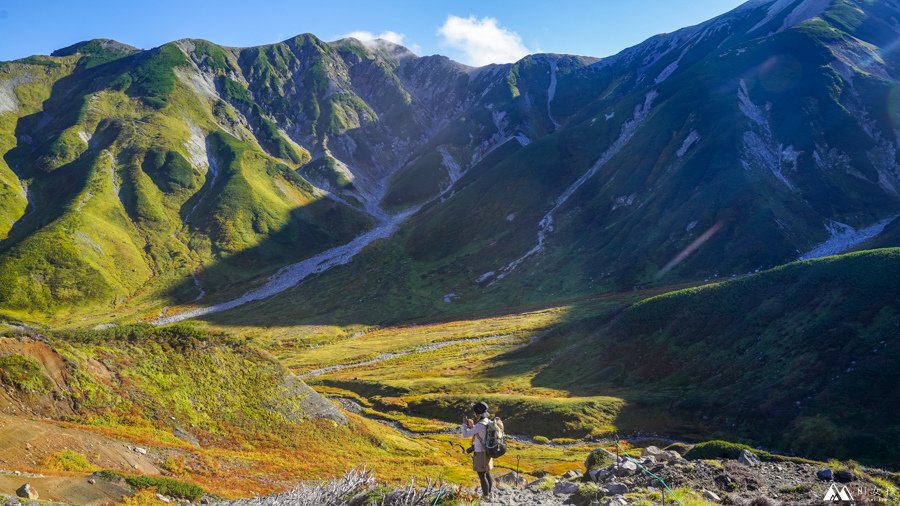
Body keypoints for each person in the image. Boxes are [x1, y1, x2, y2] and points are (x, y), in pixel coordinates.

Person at [462, 400, 493, 498]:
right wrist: (472, 426)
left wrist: (464, 425)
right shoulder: (487, 421)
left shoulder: (480, 425)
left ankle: (486, 495)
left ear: (477, 412)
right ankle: (489, 492)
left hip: (480, 453)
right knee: (487, 472)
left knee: (481, 475)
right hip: (488, 451)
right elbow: (480, 431)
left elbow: (465, 434)